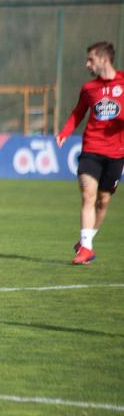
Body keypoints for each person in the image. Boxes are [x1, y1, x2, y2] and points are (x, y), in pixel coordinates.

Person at [56, 41, 124, 265]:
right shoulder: (88, 89)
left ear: (104, 60)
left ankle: (86, 242)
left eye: (91, 60)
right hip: (91, 149)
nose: (87, 64)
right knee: (88, 195)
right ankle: (86, 248)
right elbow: (77, 113)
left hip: (116, 153)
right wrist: (65, 132)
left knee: (103, 201)